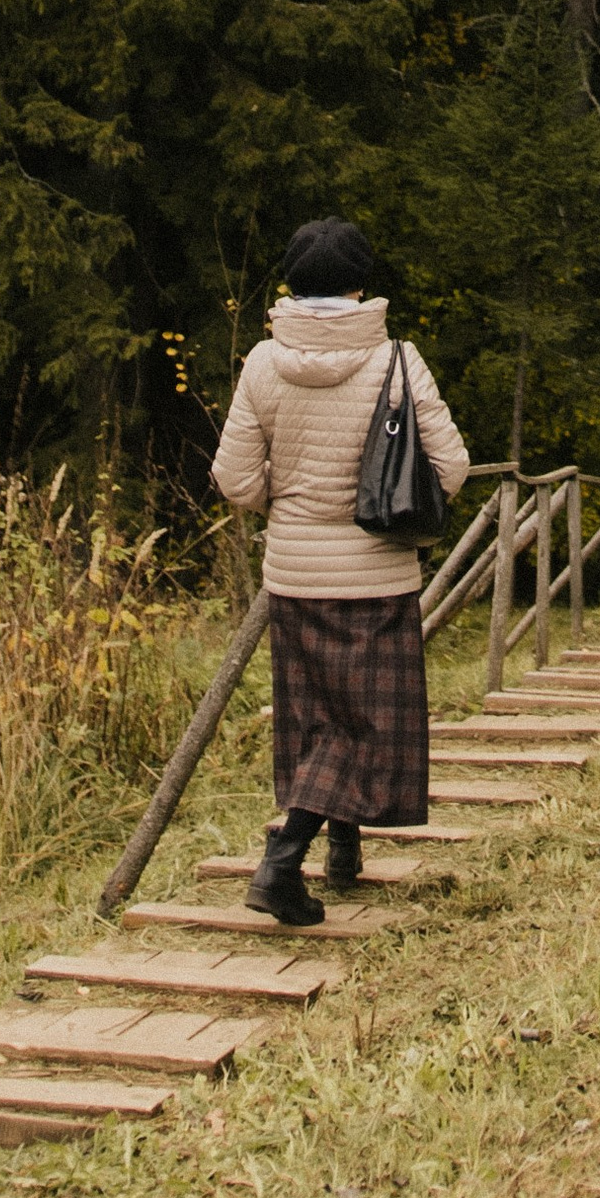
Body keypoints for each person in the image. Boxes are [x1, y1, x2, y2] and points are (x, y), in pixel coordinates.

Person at [210, 217, 470, 926]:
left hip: (294, 577)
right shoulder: (396, 361)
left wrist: (288, 502)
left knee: (317, 720)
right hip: (377, 578)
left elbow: (234, 479)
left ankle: (343, 857)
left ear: (289, 284)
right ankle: (280, 864)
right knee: (360, 728)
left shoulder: (262, 363)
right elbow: (452, 466)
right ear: (361, 283)